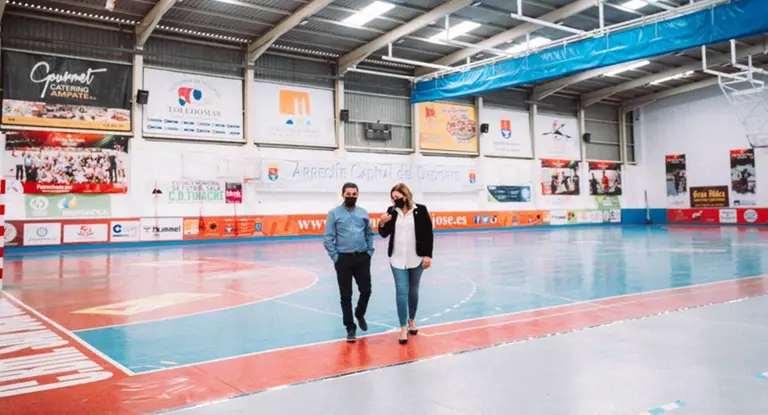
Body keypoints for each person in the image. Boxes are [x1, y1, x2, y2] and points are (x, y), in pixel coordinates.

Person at [378, 183, 434, 345]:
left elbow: (428, 234)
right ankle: (403, 327)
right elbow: (383, 233)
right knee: (401, 291)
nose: (396, 200)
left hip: (416, 258)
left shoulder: (421, 210)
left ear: (406, 195)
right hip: (396, 258)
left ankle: (412, 320)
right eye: (393, 198)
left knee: (413, 290)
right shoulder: (391, 211)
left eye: (398, 197)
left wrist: (427, 255)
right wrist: (382, 223)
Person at [323, 182, 375, 342]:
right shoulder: (334, 213)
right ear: (343, 195)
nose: (351, 196)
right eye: (348, 194)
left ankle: (359, 313)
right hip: (343, 259)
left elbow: (369, 233)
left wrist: (369, 252)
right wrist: (336, 257)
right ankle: (350, 328)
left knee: (366, 290)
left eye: (354, 194)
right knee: (346, 295)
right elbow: (328, 238)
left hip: (362, 258)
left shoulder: (363, 213)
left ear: (357, 195)